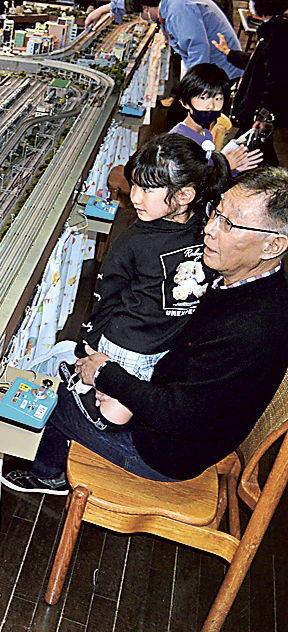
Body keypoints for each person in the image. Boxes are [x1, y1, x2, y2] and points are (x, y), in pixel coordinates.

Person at [4, 167, 288, 494]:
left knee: (46, 390)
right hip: (169, 414)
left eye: (229, 224)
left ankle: (47, 475)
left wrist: (108, 376)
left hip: (159, 452)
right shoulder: (244, 283)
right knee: (75, 360)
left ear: (273, 246)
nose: (210, 229)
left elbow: (174, 414)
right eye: (216, 212)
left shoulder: (252, 327)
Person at [63, 133, 231, 429]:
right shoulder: (135, 240)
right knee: (114, 417)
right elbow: (106, 296)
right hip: (128, 347)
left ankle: (84, 389)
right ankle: (83, 389)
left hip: (168, 346)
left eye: (147, 189)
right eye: (135, 185)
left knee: (130, 409)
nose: (135, 197)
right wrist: (87, 345)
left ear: (184, 196)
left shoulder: (205, 229)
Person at [213, 0, 288, 165]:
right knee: (256, 153)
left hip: (260, 113)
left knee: (253, 153)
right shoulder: (275, 30)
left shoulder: (278, 33)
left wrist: (264, 115)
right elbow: (259, 63)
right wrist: (229, 53)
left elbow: (275, 79)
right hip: (260, 112)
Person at [167, 63, 264, 172]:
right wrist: (225, 166)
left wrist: (234, 170)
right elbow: (189, 181)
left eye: (218, 99)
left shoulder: (206, 133)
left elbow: (210, 174)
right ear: (185, 103)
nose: (211, 106)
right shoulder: (178, 140)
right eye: (203, 98)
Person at [128, 0, 243, 81]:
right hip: (215, 64)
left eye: (139, 14)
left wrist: (193, 83)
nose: (141, 17)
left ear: (145, 8)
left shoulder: (178, 9)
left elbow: (197, 48)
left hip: (222, 68)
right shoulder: (171, 6)